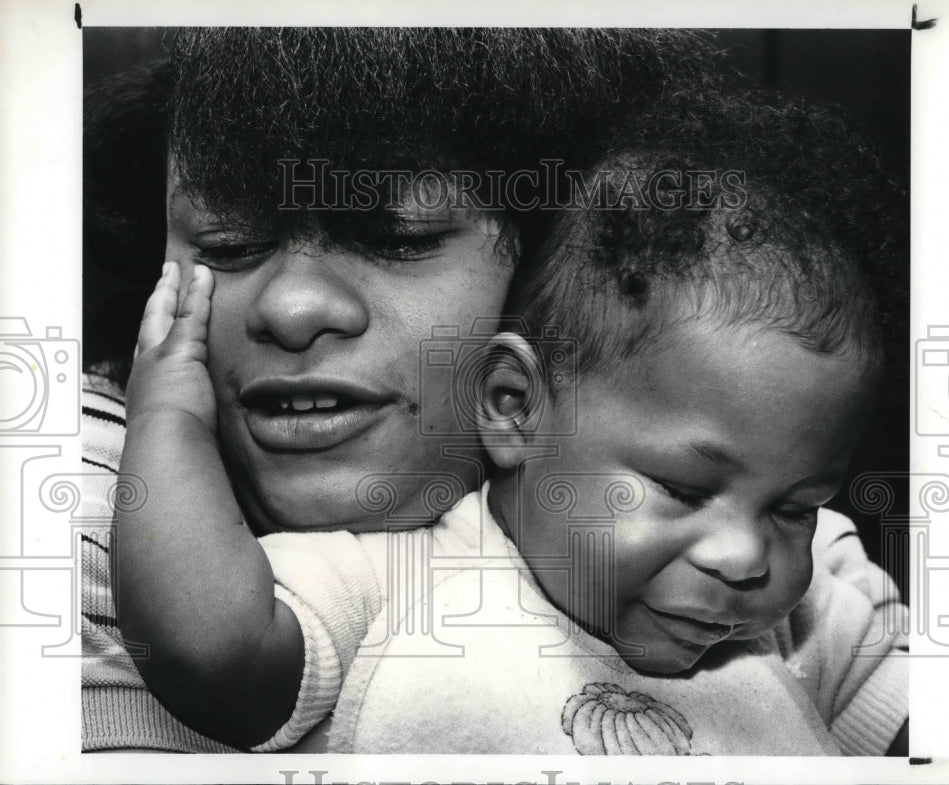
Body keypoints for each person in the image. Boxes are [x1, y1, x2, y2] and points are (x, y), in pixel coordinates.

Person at [81, 27, 720, 751]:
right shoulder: (86, 494)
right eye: (229, 245)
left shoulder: (744, 514)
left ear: (573, 261)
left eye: (398, 236)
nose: (291, 308)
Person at [286, 85, 909, 755]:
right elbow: (209, 648)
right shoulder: (395, 582)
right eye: (684, 488)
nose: (747, 557)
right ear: (514, 406)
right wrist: (167, 425)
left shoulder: (812, 620)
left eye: (796, 509)